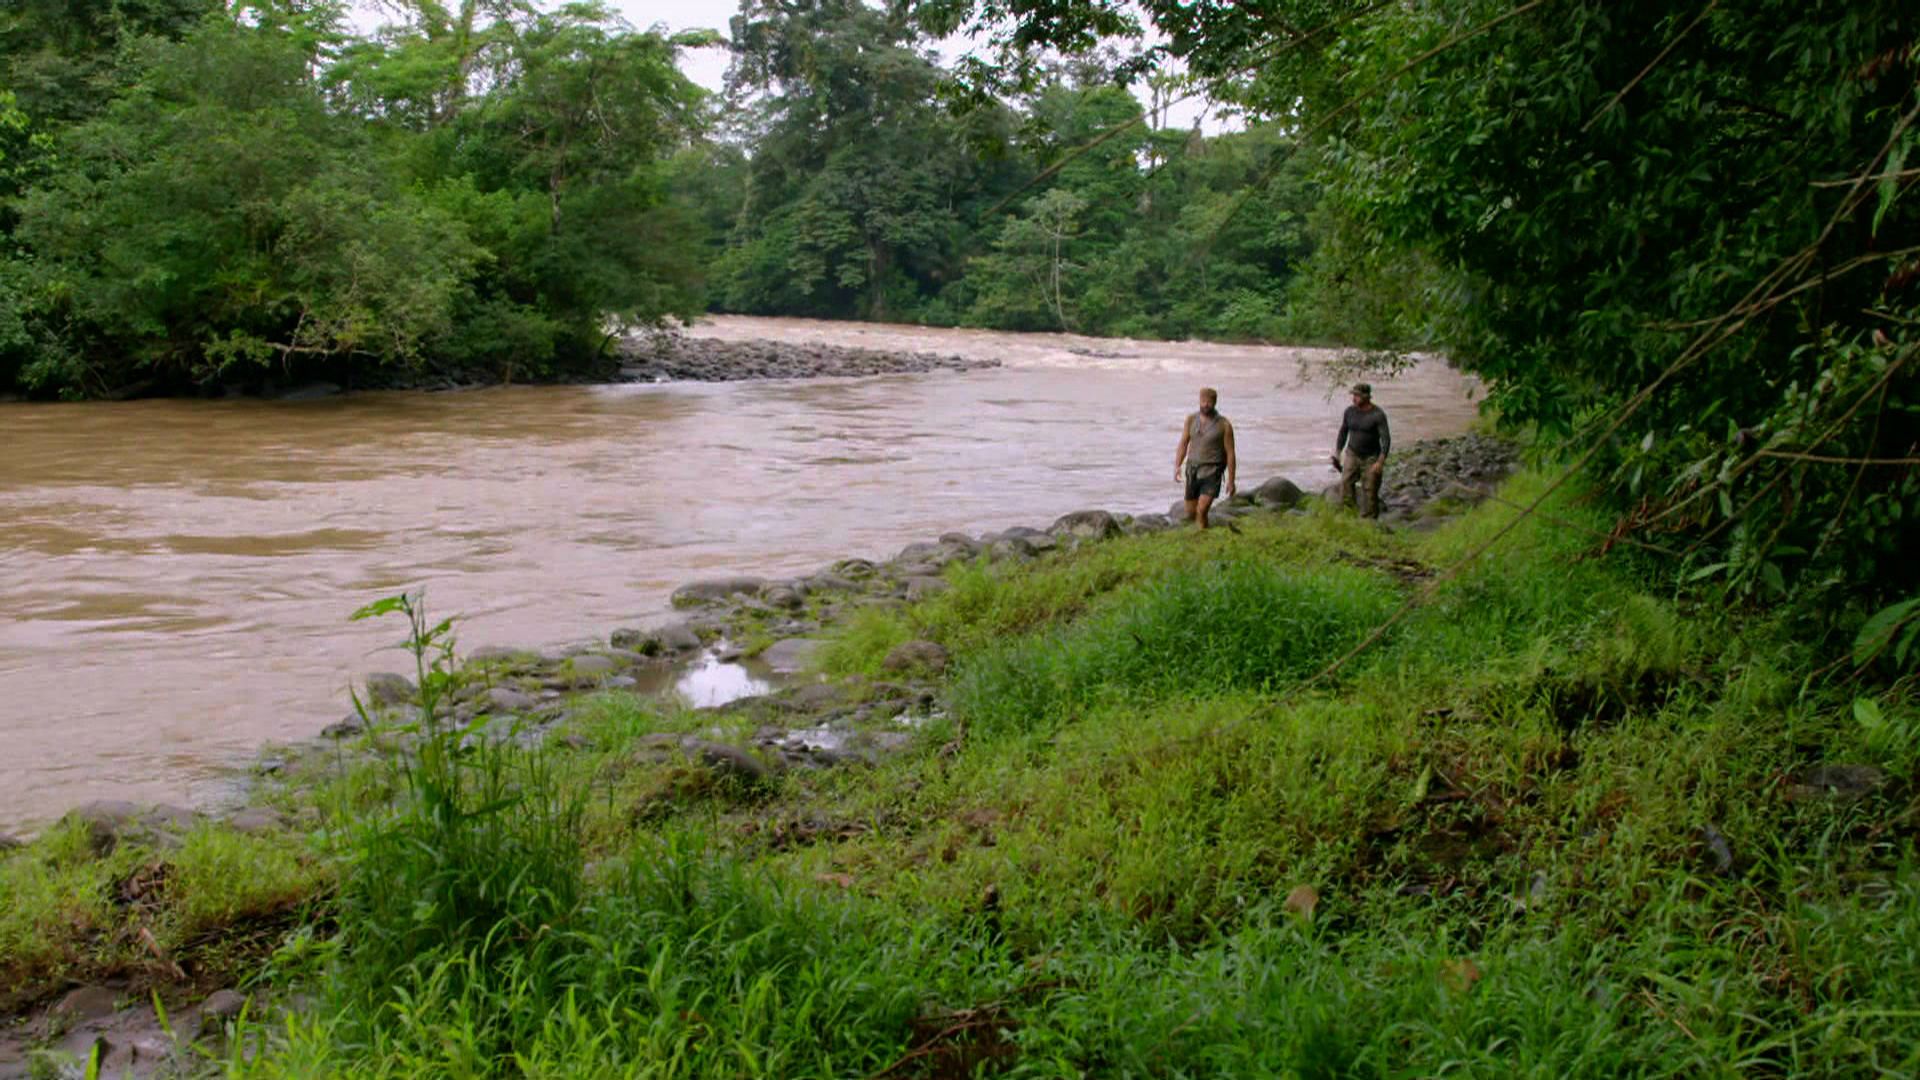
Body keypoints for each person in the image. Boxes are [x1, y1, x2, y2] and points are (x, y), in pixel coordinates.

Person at [1175, 387, 1236, 529]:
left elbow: (1231, 454)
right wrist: (1177, 466)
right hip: (1192, 470)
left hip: (1212, 472)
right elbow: (1183, 443)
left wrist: (1231, 481)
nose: (1206, 404)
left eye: (1209, 401)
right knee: (1191, 512)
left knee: (1202, 510)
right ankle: (1203, 531)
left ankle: (1202, 538)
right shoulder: (1190, 420)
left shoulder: (1224, 425)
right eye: (1203, 401)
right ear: (1199, 401)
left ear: (1215, 403)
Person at [1332, 382, 1390, 519]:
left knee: (1370, 489)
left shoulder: (1378, 415)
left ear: (1366, 397)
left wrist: (1380, 462)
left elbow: (1386, 439)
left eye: (1357, 396)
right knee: (1346, 484)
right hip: (1352, 453)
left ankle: (1369, 520)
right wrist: (1337, 452)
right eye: (1353, 395)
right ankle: (1347, 515)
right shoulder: (1349, 412)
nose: (1354, 399)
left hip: (1371, 457)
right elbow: (1343, 432)